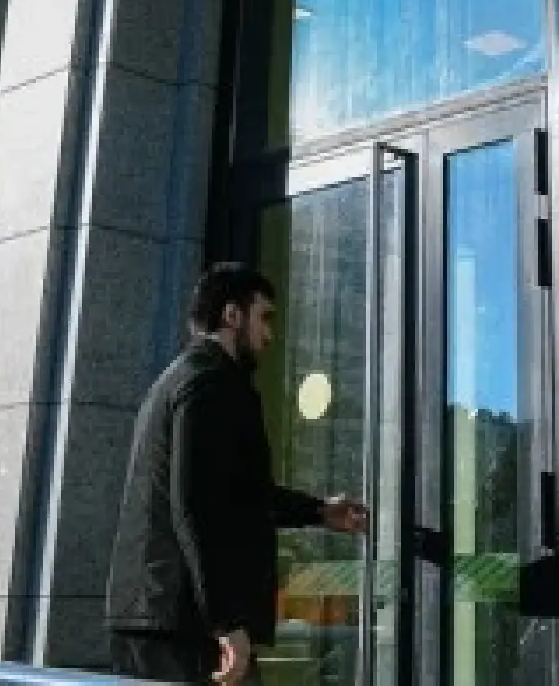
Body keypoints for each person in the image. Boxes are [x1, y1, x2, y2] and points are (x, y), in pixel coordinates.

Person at [107, 262, 368, 684]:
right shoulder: (209, 383)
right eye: (264, 317)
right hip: (182, 625)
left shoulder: (179, 379)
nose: (269, 336)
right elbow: (194, 505)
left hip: (164, 617)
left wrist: (321, 511)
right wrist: (225, 622)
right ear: (232, 316)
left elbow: (241, 494)